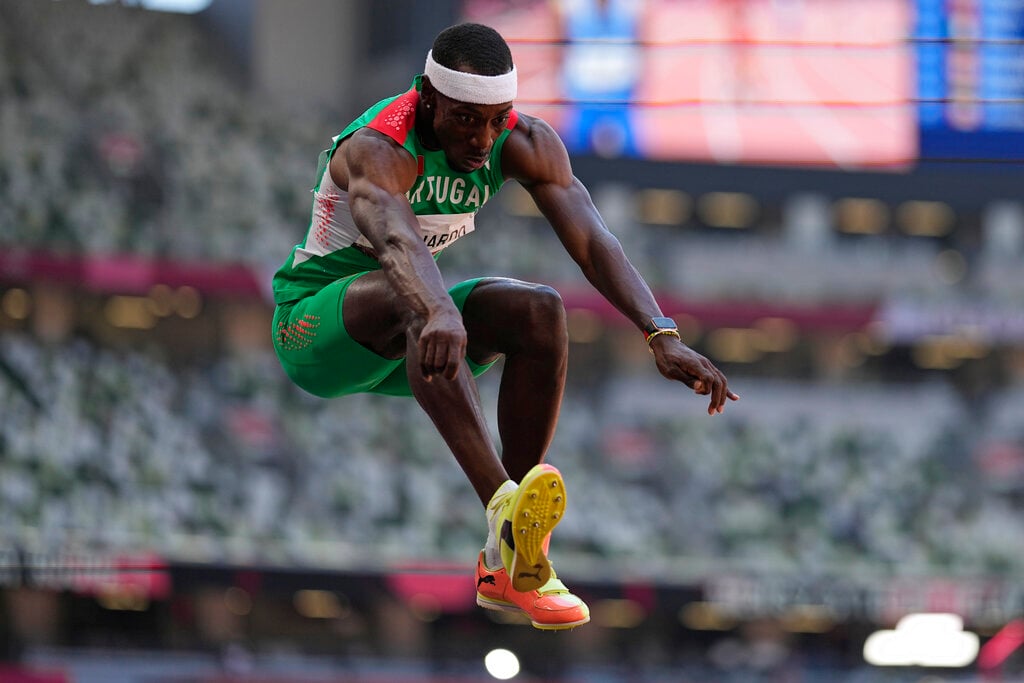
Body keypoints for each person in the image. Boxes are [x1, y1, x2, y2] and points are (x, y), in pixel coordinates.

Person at [271, 22, 738, 631]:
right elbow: (394, 239)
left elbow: (593, 240)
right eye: (467, 121)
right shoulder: (378, 147)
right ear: (429, 99)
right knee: (416, 291)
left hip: (409, 338)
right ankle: (503, 507)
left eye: (496, 120)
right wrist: (438, 307)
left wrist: (660, 332)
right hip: (315, 332)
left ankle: (513, 557)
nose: (483, 141)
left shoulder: (525, 142)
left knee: (539, 311)